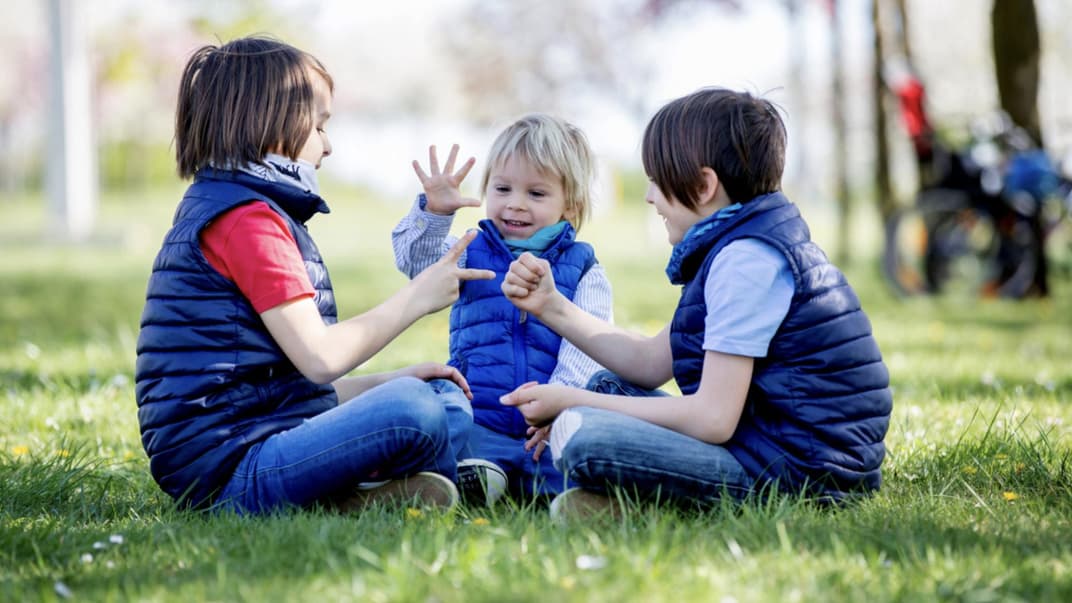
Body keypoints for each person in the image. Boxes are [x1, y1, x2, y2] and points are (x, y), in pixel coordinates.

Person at [134, 35, 495, 514]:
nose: (329, 146)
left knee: (439, 397)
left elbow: (283, 391)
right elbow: (320, 360)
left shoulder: (246, 210)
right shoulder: (245, 222)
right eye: (320, 126)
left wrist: (385, 381)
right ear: (271, 122)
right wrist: (416, 297)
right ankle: (354, 493)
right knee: (415, 409)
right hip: (229, 470)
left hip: (260, 438)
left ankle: (355, 497)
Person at [500, 88, 892, 518]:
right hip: (766, 444)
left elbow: (713, 419)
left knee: (585, 431)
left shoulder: (747, 262)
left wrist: (574, 404)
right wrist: (551, 305)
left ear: (704, 186)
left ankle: (643, 496)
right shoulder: (737, 246)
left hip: (800, 473)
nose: (649, 197)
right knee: (602, 387)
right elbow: (651, 361)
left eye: (657, 181)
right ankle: (624, 502)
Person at [391, 114, 613, 502]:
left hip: (547, 425)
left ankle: (566, 493)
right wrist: (435, 215)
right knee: (450, 430)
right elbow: (418, 266)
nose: (515, 204)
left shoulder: (584, 268)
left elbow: (589, 346)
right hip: (481, 416)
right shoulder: (470, 250)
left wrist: (559, 401)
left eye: (536, 194)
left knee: (574, 452)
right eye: (503, 188)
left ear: (571, 205)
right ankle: (474, 477)